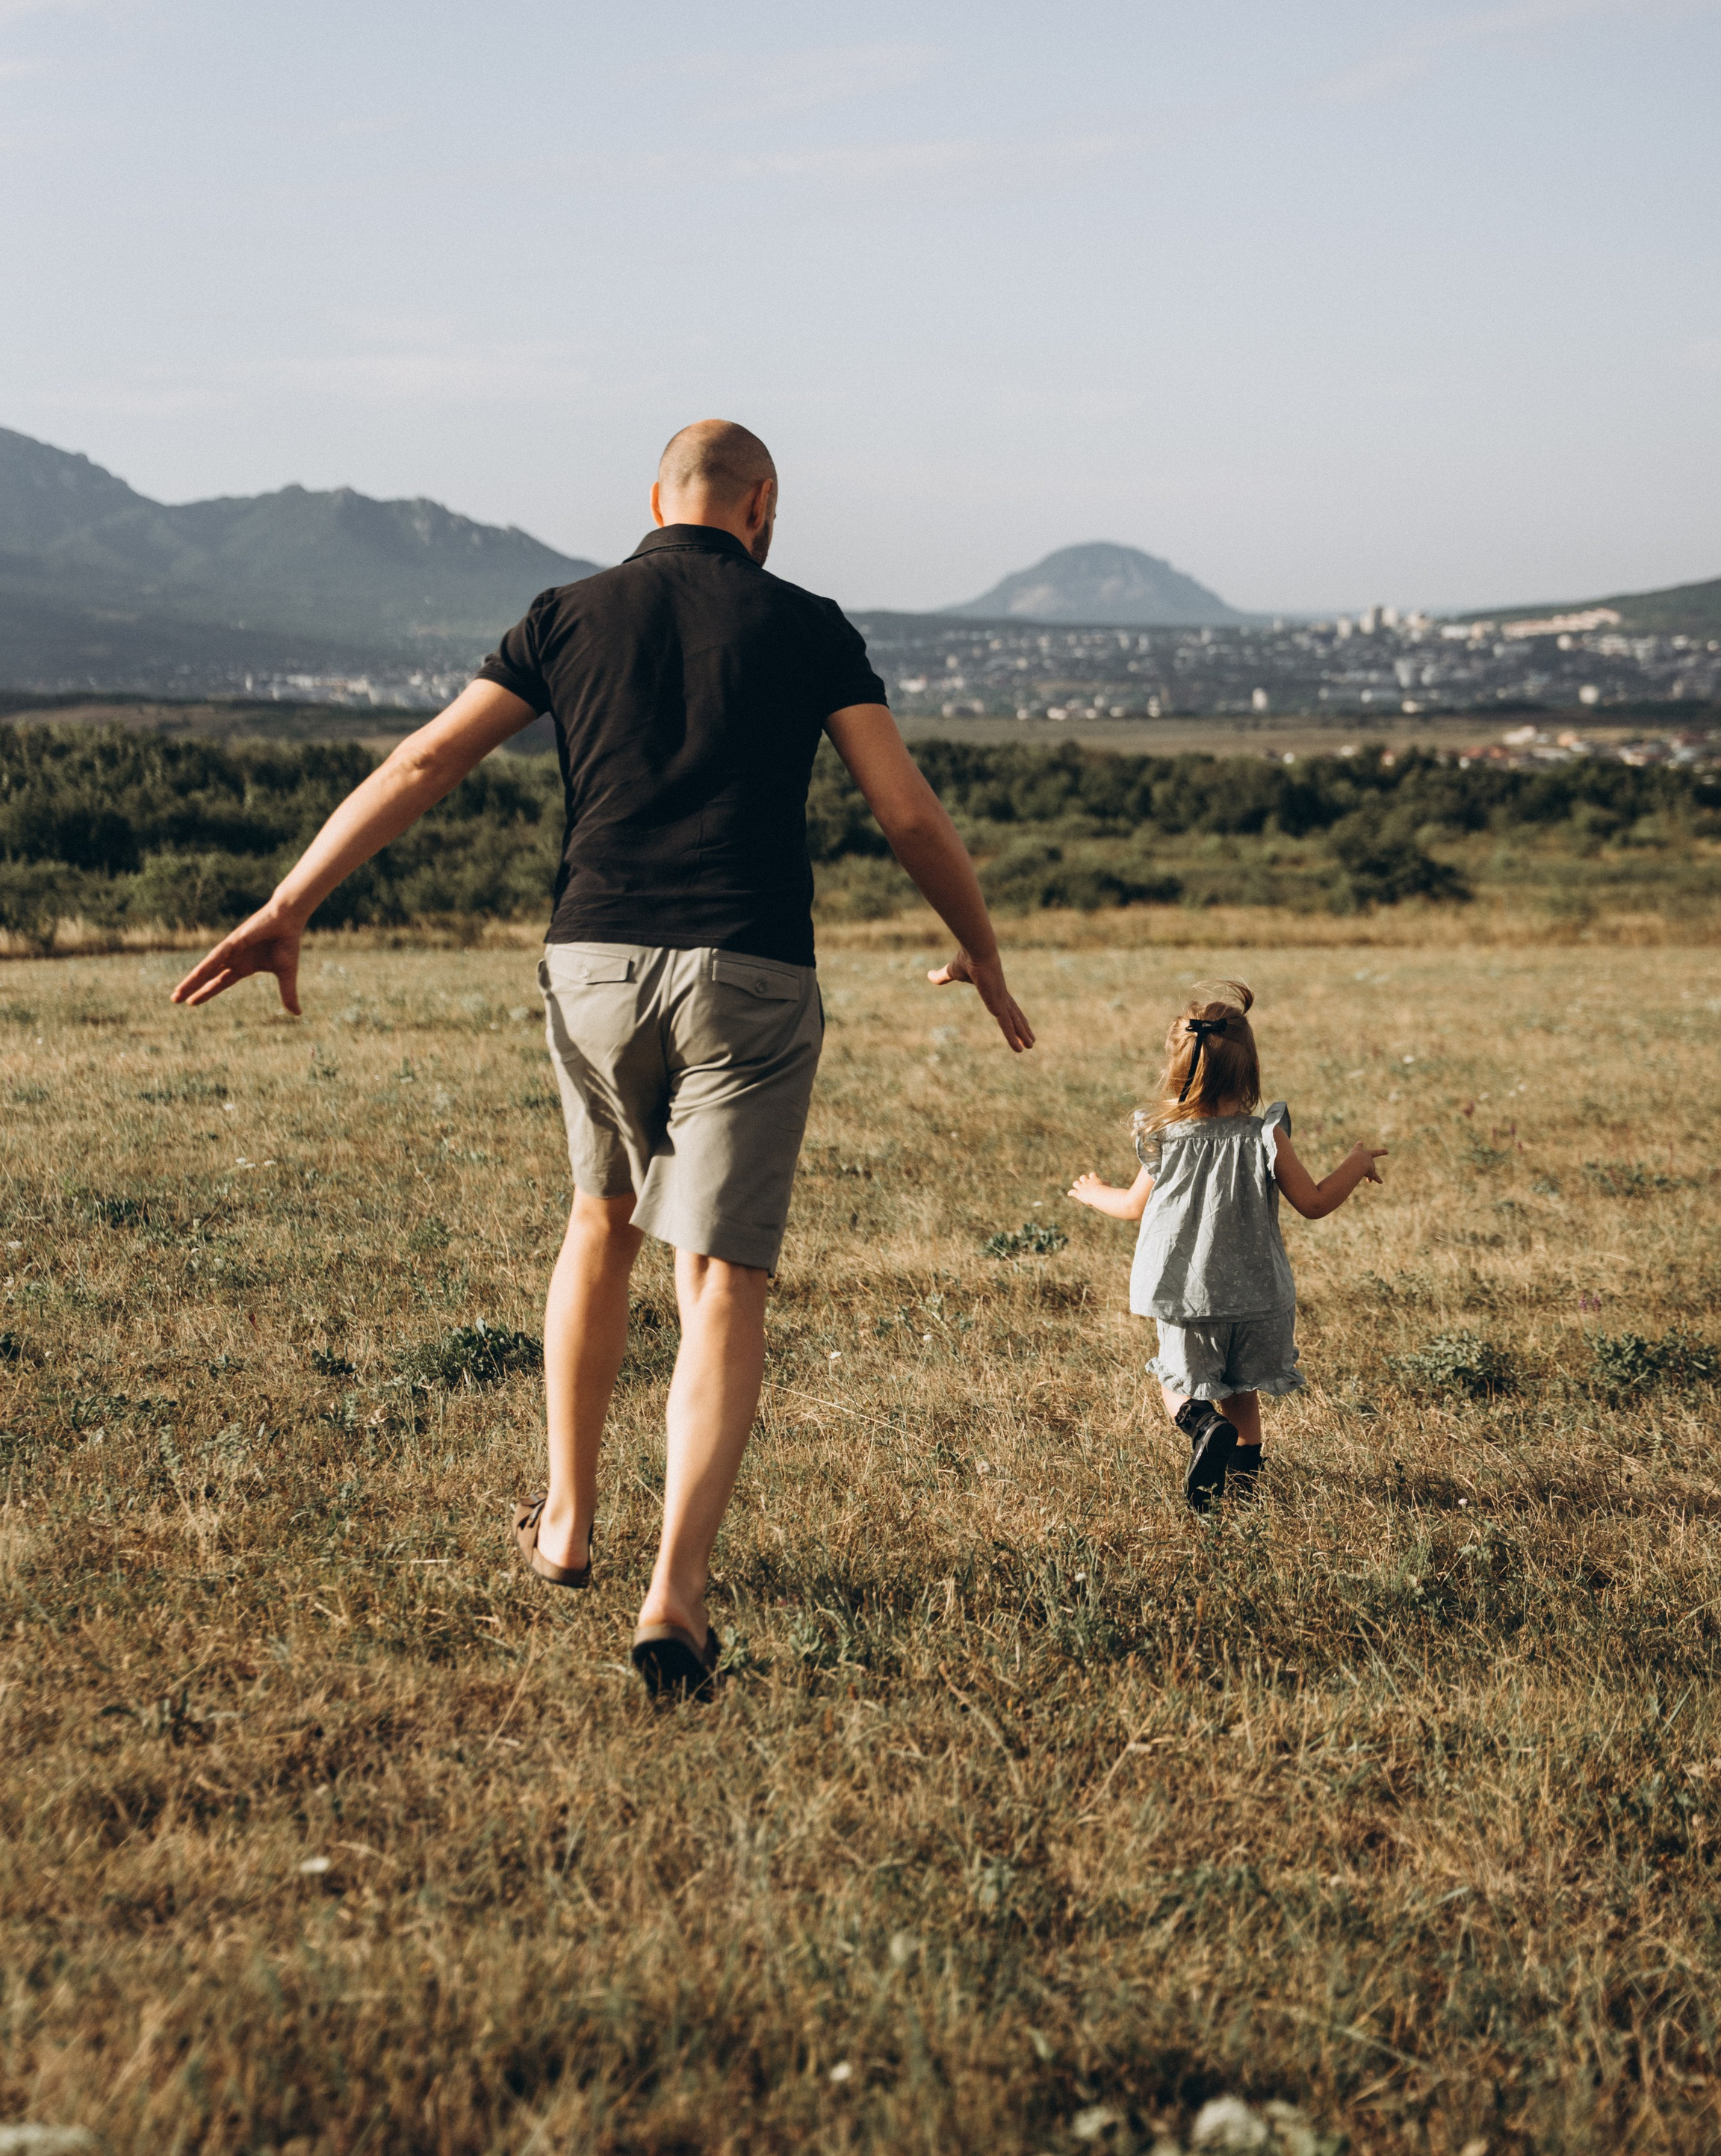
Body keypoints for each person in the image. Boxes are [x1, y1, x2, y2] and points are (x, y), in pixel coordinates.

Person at [173, 418, 1033, 1697]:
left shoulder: (566, 613)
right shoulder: (810, 625)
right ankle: (676, 1598)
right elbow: (902, 809)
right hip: (750, 968)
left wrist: (290, 903)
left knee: (599, 1224)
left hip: (593, 965)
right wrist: (980, 947)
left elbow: (428, 760)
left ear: (656, 500)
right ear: (766, 507)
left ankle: (567, 1522)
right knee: (723, 1280)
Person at [1066, 980, 1383, 1510]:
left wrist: (1095, 1192)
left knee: (1176, 1381)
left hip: (1190, 1298)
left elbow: (1131, 1206)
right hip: (1258, 1300)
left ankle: (1202, 1425)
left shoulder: (1166, 1136)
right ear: (1249, 1071)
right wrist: (1355, 1162)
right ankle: (1242, 1495)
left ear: (1177, 1069)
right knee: (1243, 1391)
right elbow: (1315, 1202)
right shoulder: (1264, 1135)